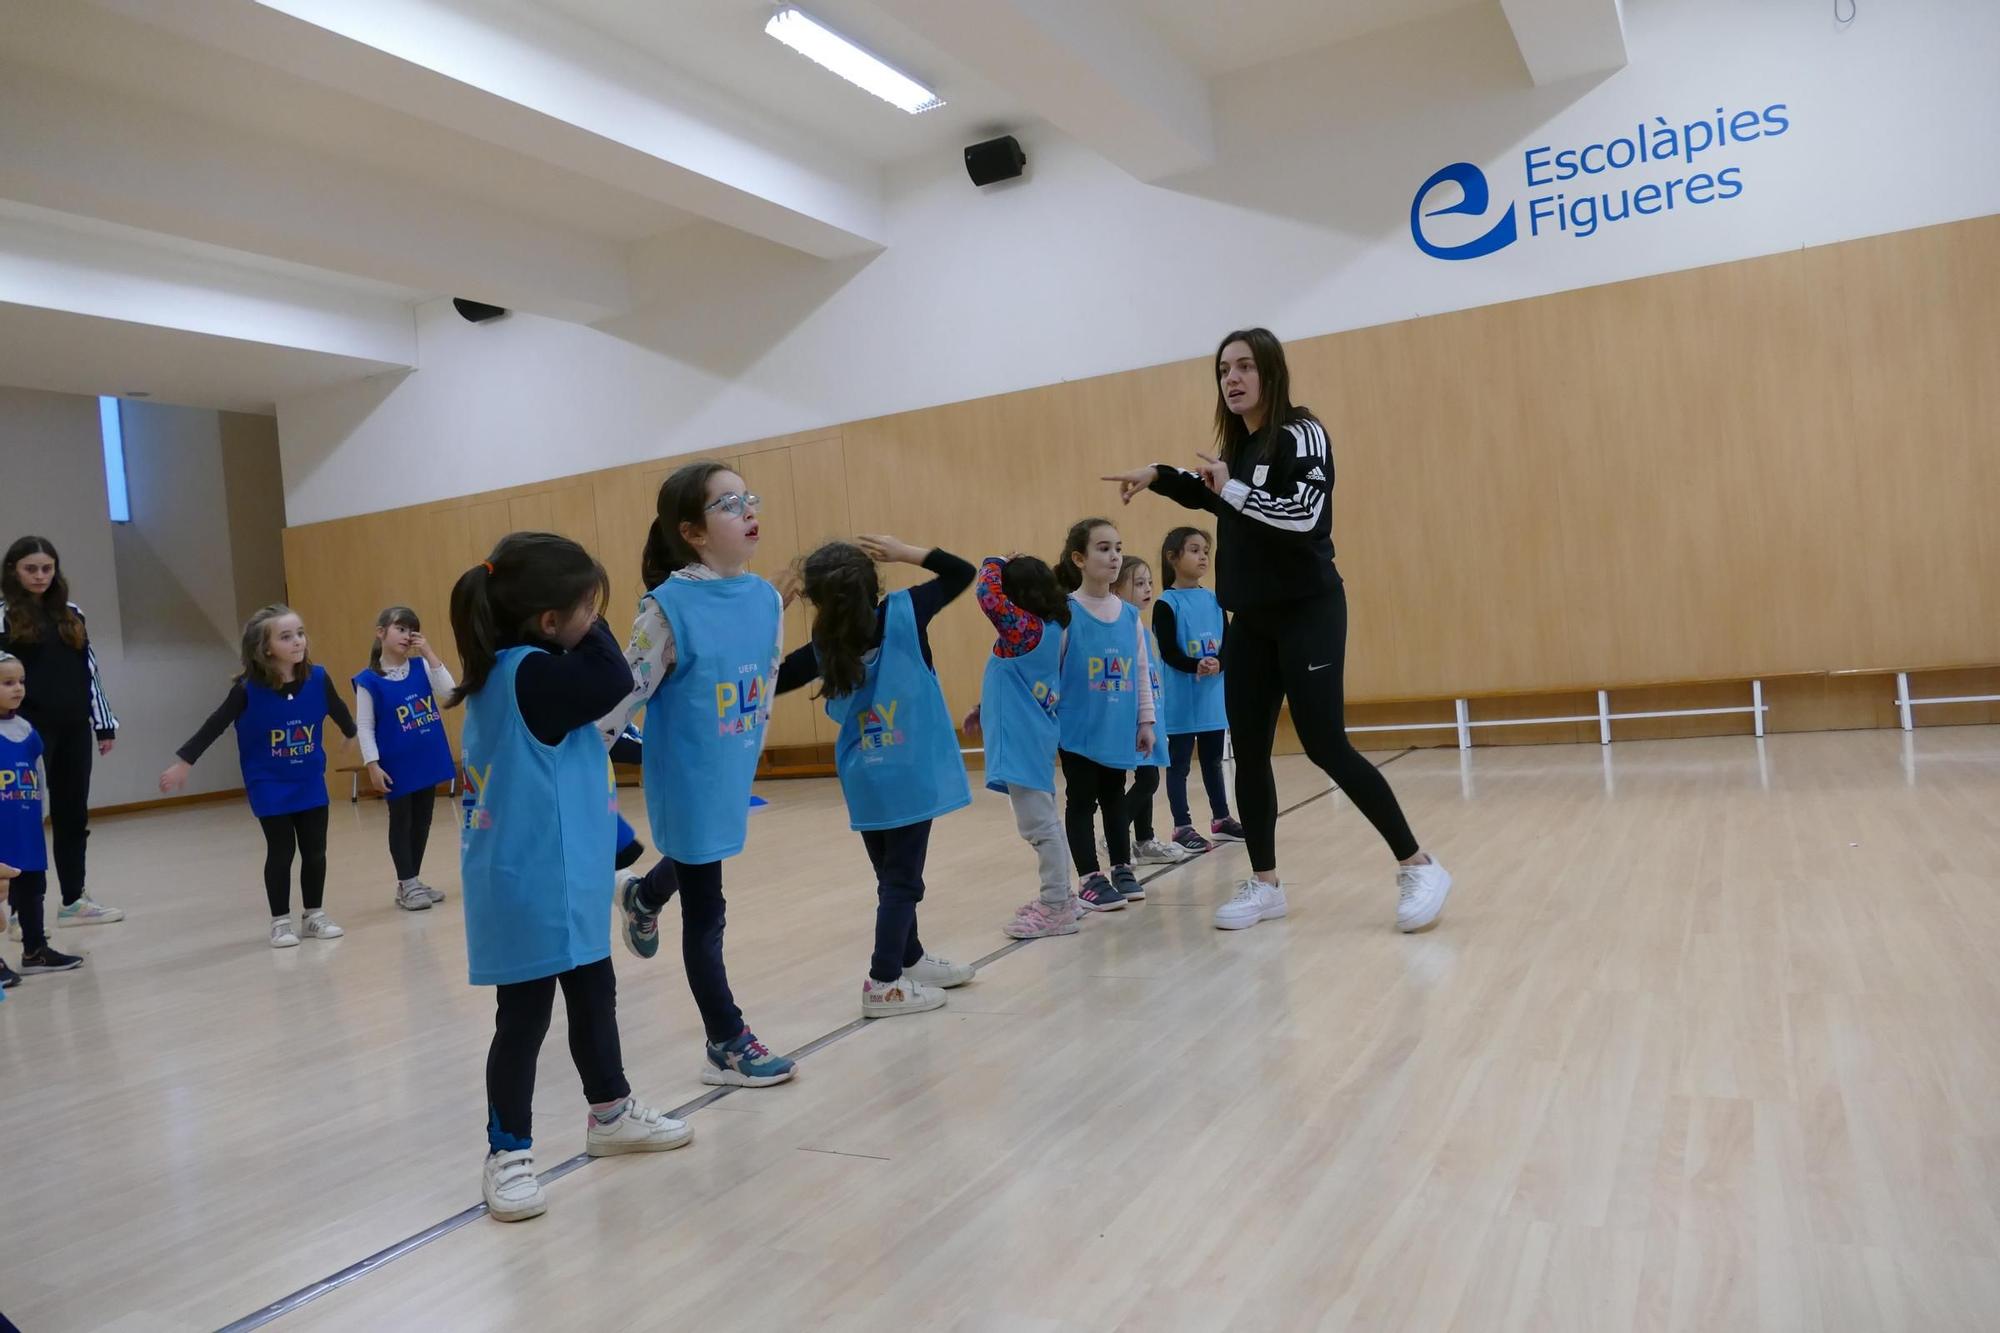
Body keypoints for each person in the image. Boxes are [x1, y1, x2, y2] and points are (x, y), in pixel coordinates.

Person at [1104, 326, 1452, 932]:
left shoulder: (1302, 432)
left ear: (1270, 372)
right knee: (1253, 751)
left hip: (1309, 612)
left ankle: (1418, 863)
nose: (1231, 379)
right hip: (1252, 621)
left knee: (1325, 745)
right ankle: (1265, 883)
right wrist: (1161, 473)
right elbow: (1219, 499)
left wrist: (1231, 488)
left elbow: (1304, 513)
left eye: (1243, 367)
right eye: (1222, 370)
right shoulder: (1236, 449)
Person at [450, 531, 690, 1223]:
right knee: (523, 1019)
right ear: (550, 621)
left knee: (593, 995)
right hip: (527, 883)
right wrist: (600, 618)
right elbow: (616, 677)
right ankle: (508, 1151)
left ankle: (611, 1110)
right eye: (589, 606)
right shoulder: (532, 672)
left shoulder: (520, 665)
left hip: (560, 874)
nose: (598, 620)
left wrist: (579, 605)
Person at [601, 462, 796, 1088]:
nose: (746, 509)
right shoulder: (666, 607)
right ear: (692, 531)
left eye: (748, 496)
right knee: (709, 909)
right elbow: (625, 697)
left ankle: (642, 894)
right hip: (684, 773)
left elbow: (763, 681)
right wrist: (579, 763)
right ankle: (725, 1040)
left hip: (731, 767)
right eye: (728, 503)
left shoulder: (766, 597)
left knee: (698, 861)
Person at [780, 536, 976, 1018]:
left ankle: (909, 958)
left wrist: (768, 611)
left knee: (890, 877)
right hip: (910, 774)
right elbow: (961, 571)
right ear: (873, 582)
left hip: (864, 777)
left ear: (817, 600)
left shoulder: (825, 647)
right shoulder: (907, 611)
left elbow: (770, 677)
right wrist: (905, 550)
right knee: (903, 881)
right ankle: (884, 979)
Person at [160, 605, 356, 947]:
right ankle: (280, 921)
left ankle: (313, 915)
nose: (298, 641)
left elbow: (337, 708)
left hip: (309, 778)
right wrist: (184, 762)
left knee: (315, 851)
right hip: (269, 783)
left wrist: (351, 733)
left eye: (300, 633)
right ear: (266, 649)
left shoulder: (319, 678)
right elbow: (214, 725)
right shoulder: (247, 690)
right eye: (286, 636)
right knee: (281, 851)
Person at [0, 536, 122, 930]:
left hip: (72, 726)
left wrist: (103, 722)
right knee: (22, 817)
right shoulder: (3, 616)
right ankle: (22, 911)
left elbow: (90, 672)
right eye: (30, 569)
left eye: (47, 568)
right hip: (22, 732)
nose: (39, 576)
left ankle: (73, 900)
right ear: (14, 572)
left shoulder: (73, 614)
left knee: (72, 813)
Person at [971, 553, 1080, 938]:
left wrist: (993, 562)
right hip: (1031, 736)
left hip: (1023, 741)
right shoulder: (1045, 628)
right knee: (1044, 822)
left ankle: (1056, 906)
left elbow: (986, 594)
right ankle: (1063, 898)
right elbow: (1018, 683)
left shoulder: (1026, 630)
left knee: (1040, 827)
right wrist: (984, 709)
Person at [1052, 518, 1156, 912]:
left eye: (1118, 547)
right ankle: (1090, 877)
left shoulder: (1129, 616)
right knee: (1081, 801)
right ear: (1079, 558)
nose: (1114, 556)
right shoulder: (1065, 612)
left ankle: (1121, 866)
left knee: (1115, 796)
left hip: (1117, 727)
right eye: (1103, 548)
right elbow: (1051, 672)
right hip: (1078, 728)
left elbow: (1141, 672)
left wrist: (1145, 720)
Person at [354, 606, 457, 912]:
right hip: (396, 764)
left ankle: (411, 882)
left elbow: (451, 693)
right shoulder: (368, 680)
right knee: (402, 820)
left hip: (427, 757)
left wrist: (429, 654)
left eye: (411, 629)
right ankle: (407, 881)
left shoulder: (421, 667)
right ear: (381, 632)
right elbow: (365, 726)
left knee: (423, 819)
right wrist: (372, 764)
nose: (406, 635)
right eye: (400, 628)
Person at [1153, 526, 1243, 853]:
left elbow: (1230, 641)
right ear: (1173, 557)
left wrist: (1219, 661)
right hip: (1180, 701)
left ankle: (1221, 819)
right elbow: (1168, 651)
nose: (1203, 555)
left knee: (1213, 762)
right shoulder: (1166, 603)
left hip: (1211, 699)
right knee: (1178, 765)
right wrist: (1196, 666)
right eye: (1194, 549)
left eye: (1205, 549)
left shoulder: (1214, 599)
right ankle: (1182, 826)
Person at [1, 650, 84, 980]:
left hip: (26, 826)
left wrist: (41, 813)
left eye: (21, 681)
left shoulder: (26, 730)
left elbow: (38, 776)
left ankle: (35, 950)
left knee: (33, 885)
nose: (18, 688)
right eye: (8, 683)